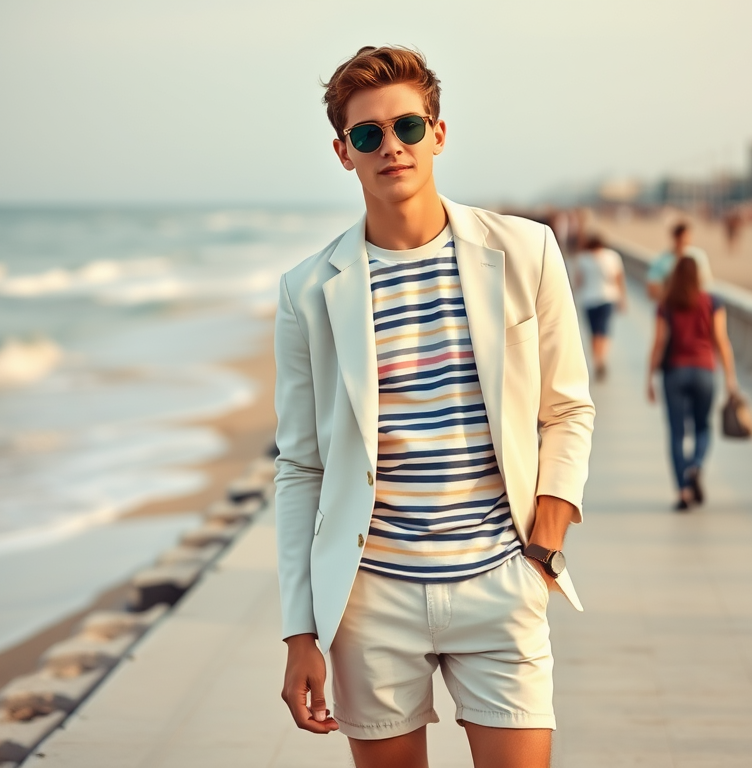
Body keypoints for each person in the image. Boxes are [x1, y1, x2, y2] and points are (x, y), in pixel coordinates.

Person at [273, 46, 595, 768]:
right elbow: (300, 466)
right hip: (370, 601)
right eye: (368, 135)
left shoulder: (526, 251)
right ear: (343, 152)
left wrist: (544, 543)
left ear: (437, 134)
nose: (391, 146)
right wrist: (301, 631)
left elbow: (568, 410)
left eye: (408, 127)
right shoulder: (307, 292)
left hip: (500, 582)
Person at [645, 256, 738, 511]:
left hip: (674, 372)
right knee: (702, 427)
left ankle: (683, 492)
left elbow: (659, 342)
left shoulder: (666, 305)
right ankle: (695, 465)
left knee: (676, 432)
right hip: (704, 371)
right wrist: (731, 377)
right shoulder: (712, 302)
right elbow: (721, 340)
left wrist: (649, 378)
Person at [572, 234, 626, 381]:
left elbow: (578, 281)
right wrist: (622, 299)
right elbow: (618, 279)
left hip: (588, 299)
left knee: (593, 332)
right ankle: (602, 359)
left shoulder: (582, 258)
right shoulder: (612, 256)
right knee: (604, 330)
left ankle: (597, 360)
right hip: (607, 297)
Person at [645, 222, 713, 302]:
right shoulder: (662, 261)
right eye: (681, 239)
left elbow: (706, 283)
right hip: (671, 306)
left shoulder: (699, 256)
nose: (683, 241)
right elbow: (652, 288)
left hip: (694, 304)